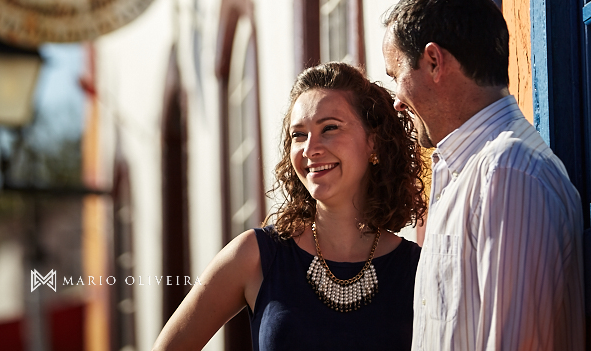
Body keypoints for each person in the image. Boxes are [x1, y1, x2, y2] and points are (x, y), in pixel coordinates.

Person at [152, 62, 425, 351]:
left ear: (374, 142)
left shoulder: (417, 268)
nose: (310, 149)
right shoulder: (256, 256)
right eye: (299, 135)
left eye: (329, 128)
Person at [382, 0, 585, 351]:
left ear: (433, 61)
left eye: (395, 76)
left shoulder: (509, 172)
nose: (396, 100)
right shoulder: (468, 174)